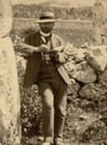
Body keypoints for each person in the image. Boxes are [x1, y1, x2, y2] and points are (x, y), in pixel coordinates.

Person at [14, 11, 71, 145]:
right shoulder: (30, 38)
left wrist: (59, 56)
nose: (46, 26)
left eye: (49, 23)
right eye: (44, 24)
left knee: (61, 109)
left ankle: (59, 138)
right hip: (43, 79)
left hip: (60, 78)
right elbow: (17, 46)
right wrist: (37, 49)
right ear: (40, 25)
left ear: (53, 24)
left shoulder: (58, 39)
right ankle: (48, 138)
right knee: (48, 105)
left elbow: (66, 56)